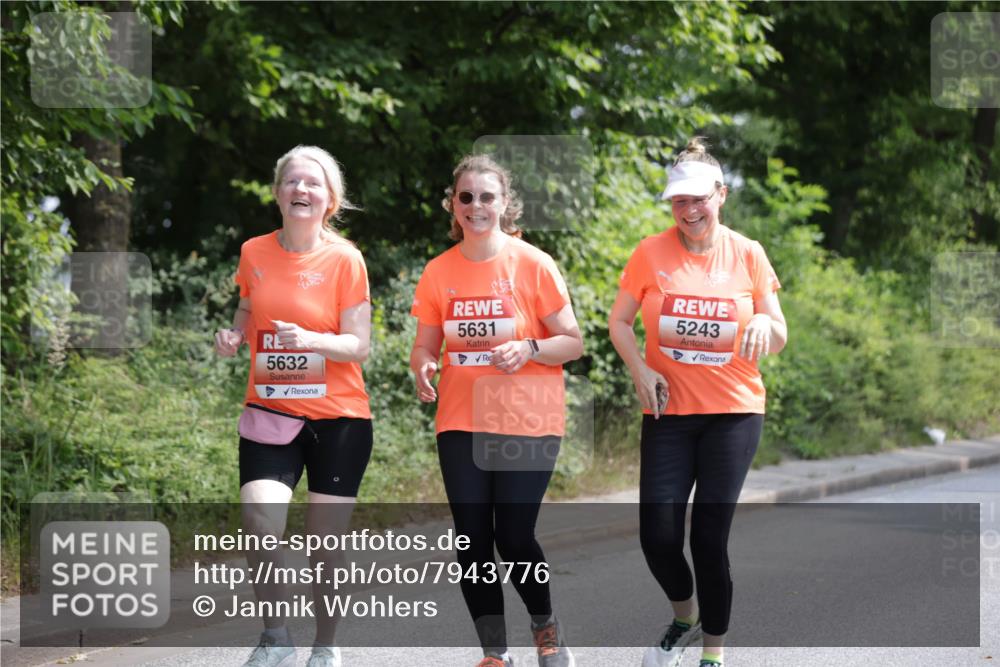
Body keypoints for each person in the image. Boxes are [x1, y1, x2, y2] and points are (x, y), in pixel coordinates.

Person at [608, 137, 788, 667]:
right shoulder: (649, 252)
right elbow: (619, 321)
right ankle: (684, 615)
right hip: (667, 413)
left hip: (733, 413)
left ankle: (714, 653)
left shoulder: (748, 253)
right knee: (658, 536)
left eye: (698, 199)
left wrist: (761, 319)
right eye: (678, 201)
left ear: (721, 195)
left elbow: (778, 333)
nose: (688, 210)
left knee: (709, 537)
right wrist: (640, 369)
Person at [409, 155, 584, 667]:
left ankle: (545, 627)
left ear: (504, 204)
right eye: (467, 197)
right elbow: (425, 346)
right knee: (471, 542)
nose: (477, 206)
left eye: (487, 196)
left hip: (528, 422)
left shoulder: (533, 263)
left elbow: (571, 342)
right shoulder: (439, 271)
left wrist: (529, 348)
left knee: (512, 535)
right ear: (453, 205)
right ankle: (494, 654)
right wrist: (422, 367)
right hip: (461, 420)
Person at [214, 145, 373, 667]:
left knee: (323, 548)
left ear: (330, 199)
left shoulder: (345, 259)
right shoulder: (254, 252)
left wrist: (310, 339)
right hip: (270, 411)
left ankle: (325, 647)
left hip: (339, 420)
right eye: (292, 182)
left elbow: (359, 346)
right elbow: (246, 302)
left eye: (313, 184)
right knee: (259, 519)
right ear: (278, 191)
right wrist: (235, 334)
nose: (301, 190)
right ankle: (276, 639)